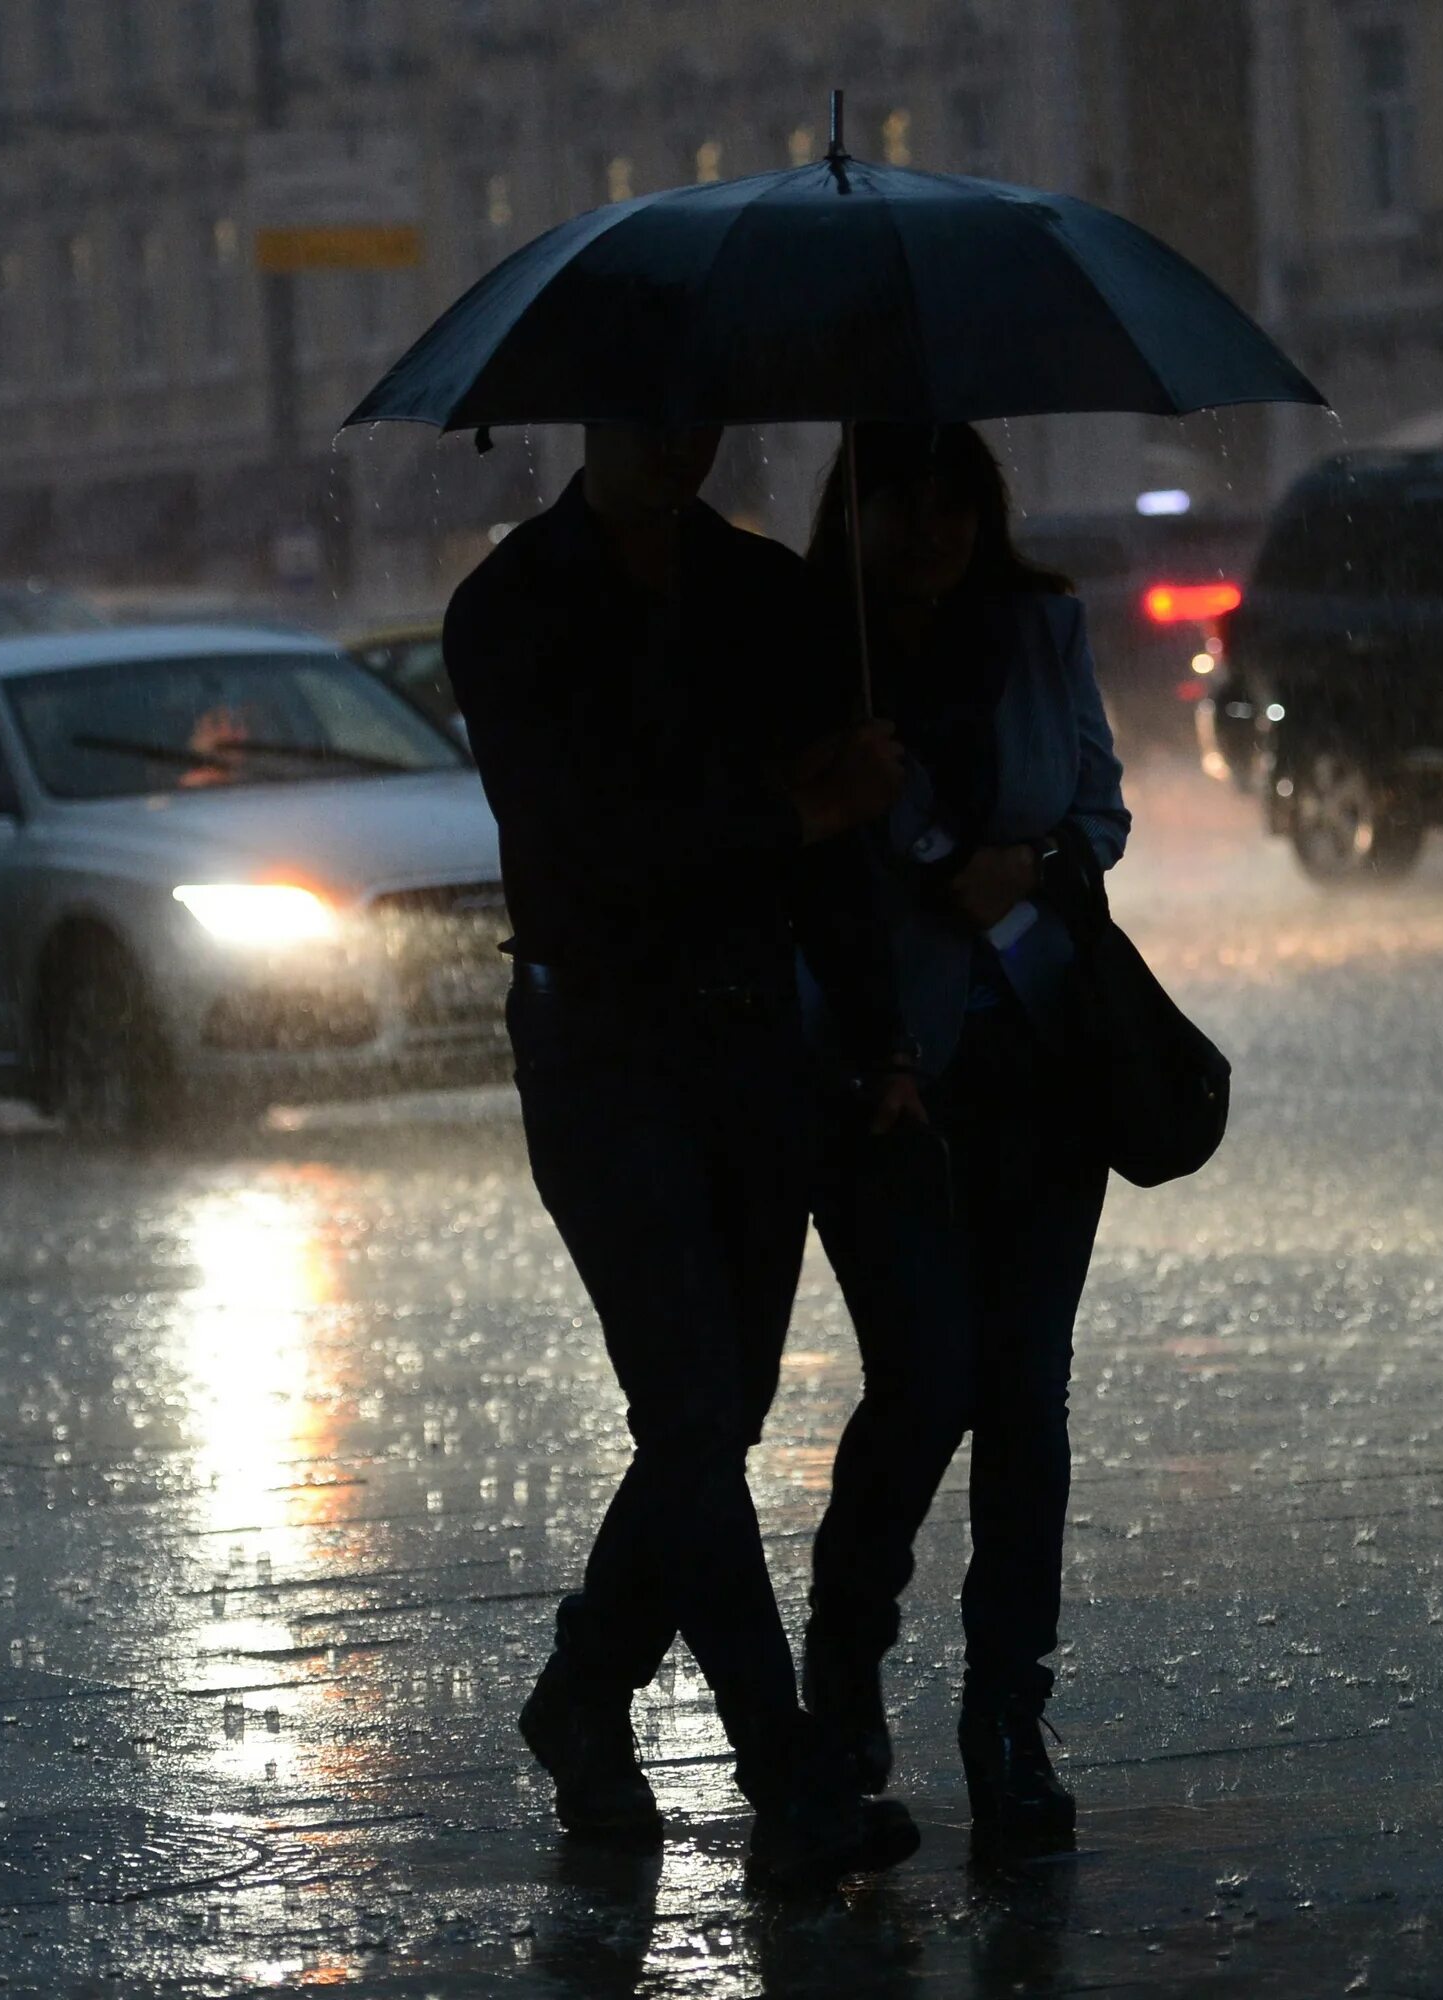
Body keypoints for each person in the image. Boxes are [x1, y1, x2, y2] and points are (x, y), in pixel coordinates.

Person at [441, 422, 920, 1886]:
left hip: (747, 1044)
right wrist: (787, 811)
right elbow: (580, 840)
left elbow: (834, 851)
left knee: (722, 1407)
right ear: (589, 420)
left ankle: (585, 1693)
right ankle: (786, 1771)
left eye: (696, 404)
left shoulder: (765, 594)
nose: (675, 435)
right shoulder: (511, 606)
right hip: (600, 1051)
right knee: (694, 1403)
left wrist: (886, 1038)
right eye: (643, 406)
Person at [797, 423, 1130, 1854]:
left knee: (1029, 1393)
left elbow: (1102, 807)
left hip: (1047, 1062)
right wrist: (932, 861)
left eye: (956, 500)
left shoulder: (1041, 627)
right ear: (855, 516)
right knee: (926, 1380)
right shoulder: (817, 653)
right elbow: (813, 854)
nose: (930, 529)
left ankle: (1009, 1715)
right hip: (888, 1071)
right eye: (899, 503)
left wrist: (1028, 867)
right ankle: (845, 1657)